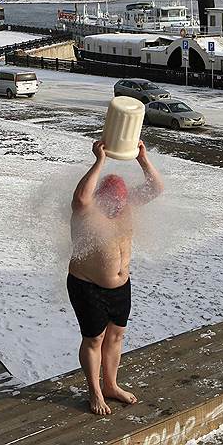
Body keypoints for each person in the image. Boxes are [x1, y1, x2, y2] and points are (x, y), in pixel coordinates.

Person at [68, 140, 164, 415]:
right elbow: (81, 197)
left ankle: (110, 385)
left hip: (121, 286)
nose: (119, 206)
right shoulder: (86, 210)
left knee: (116, 336)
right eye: (114, 201)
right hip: (87, 285)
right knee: (94, 339)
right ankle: (95, 391)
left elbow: (156, 188)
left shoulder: (127, 204)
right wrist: (99, 161)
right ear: (102, 197)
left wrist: (142, 158)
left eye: (122, 201)